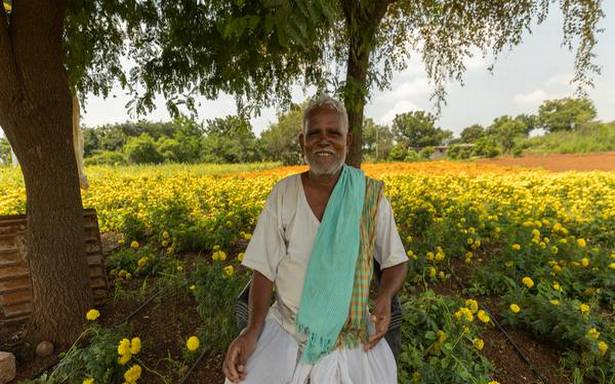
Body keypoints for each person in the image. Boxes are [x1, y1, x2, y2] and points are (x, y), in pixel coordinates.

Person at [223, 95, 408, 384]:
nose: (324, 141)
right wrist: (251, 331)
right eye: (314, 133)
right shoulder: (283, 194)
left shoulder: (369, 196)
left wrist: (384, 296)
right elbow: (263, 269)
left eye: (333, 132)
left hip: (351, 333)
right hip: (287, 327)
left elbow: (395, 262)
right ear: (302, 141)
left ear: (348, 139)